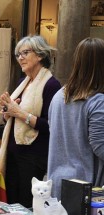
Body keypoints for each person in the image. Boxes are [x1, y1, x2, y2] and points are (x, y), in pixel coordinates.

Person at [0, 35, 61, 208]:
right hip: (13, 152)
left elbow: (51, 125)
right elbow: (13, 116)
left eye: (25, 53)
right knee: (9, 202)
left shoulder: (51, 85)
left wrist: (19, 113)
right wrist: (7, 112)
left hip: (33, 156)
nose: (20, 58)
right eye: (18, 54)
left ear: (40, 55)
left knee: (26, 204)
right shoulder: (22, 83)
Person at [47, 37, 104, 198]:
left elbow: (54, 132)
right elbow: (100, 146)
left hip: (58, 183)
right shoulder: (97, 101)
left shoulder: (59, 96)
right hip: (87, 189)